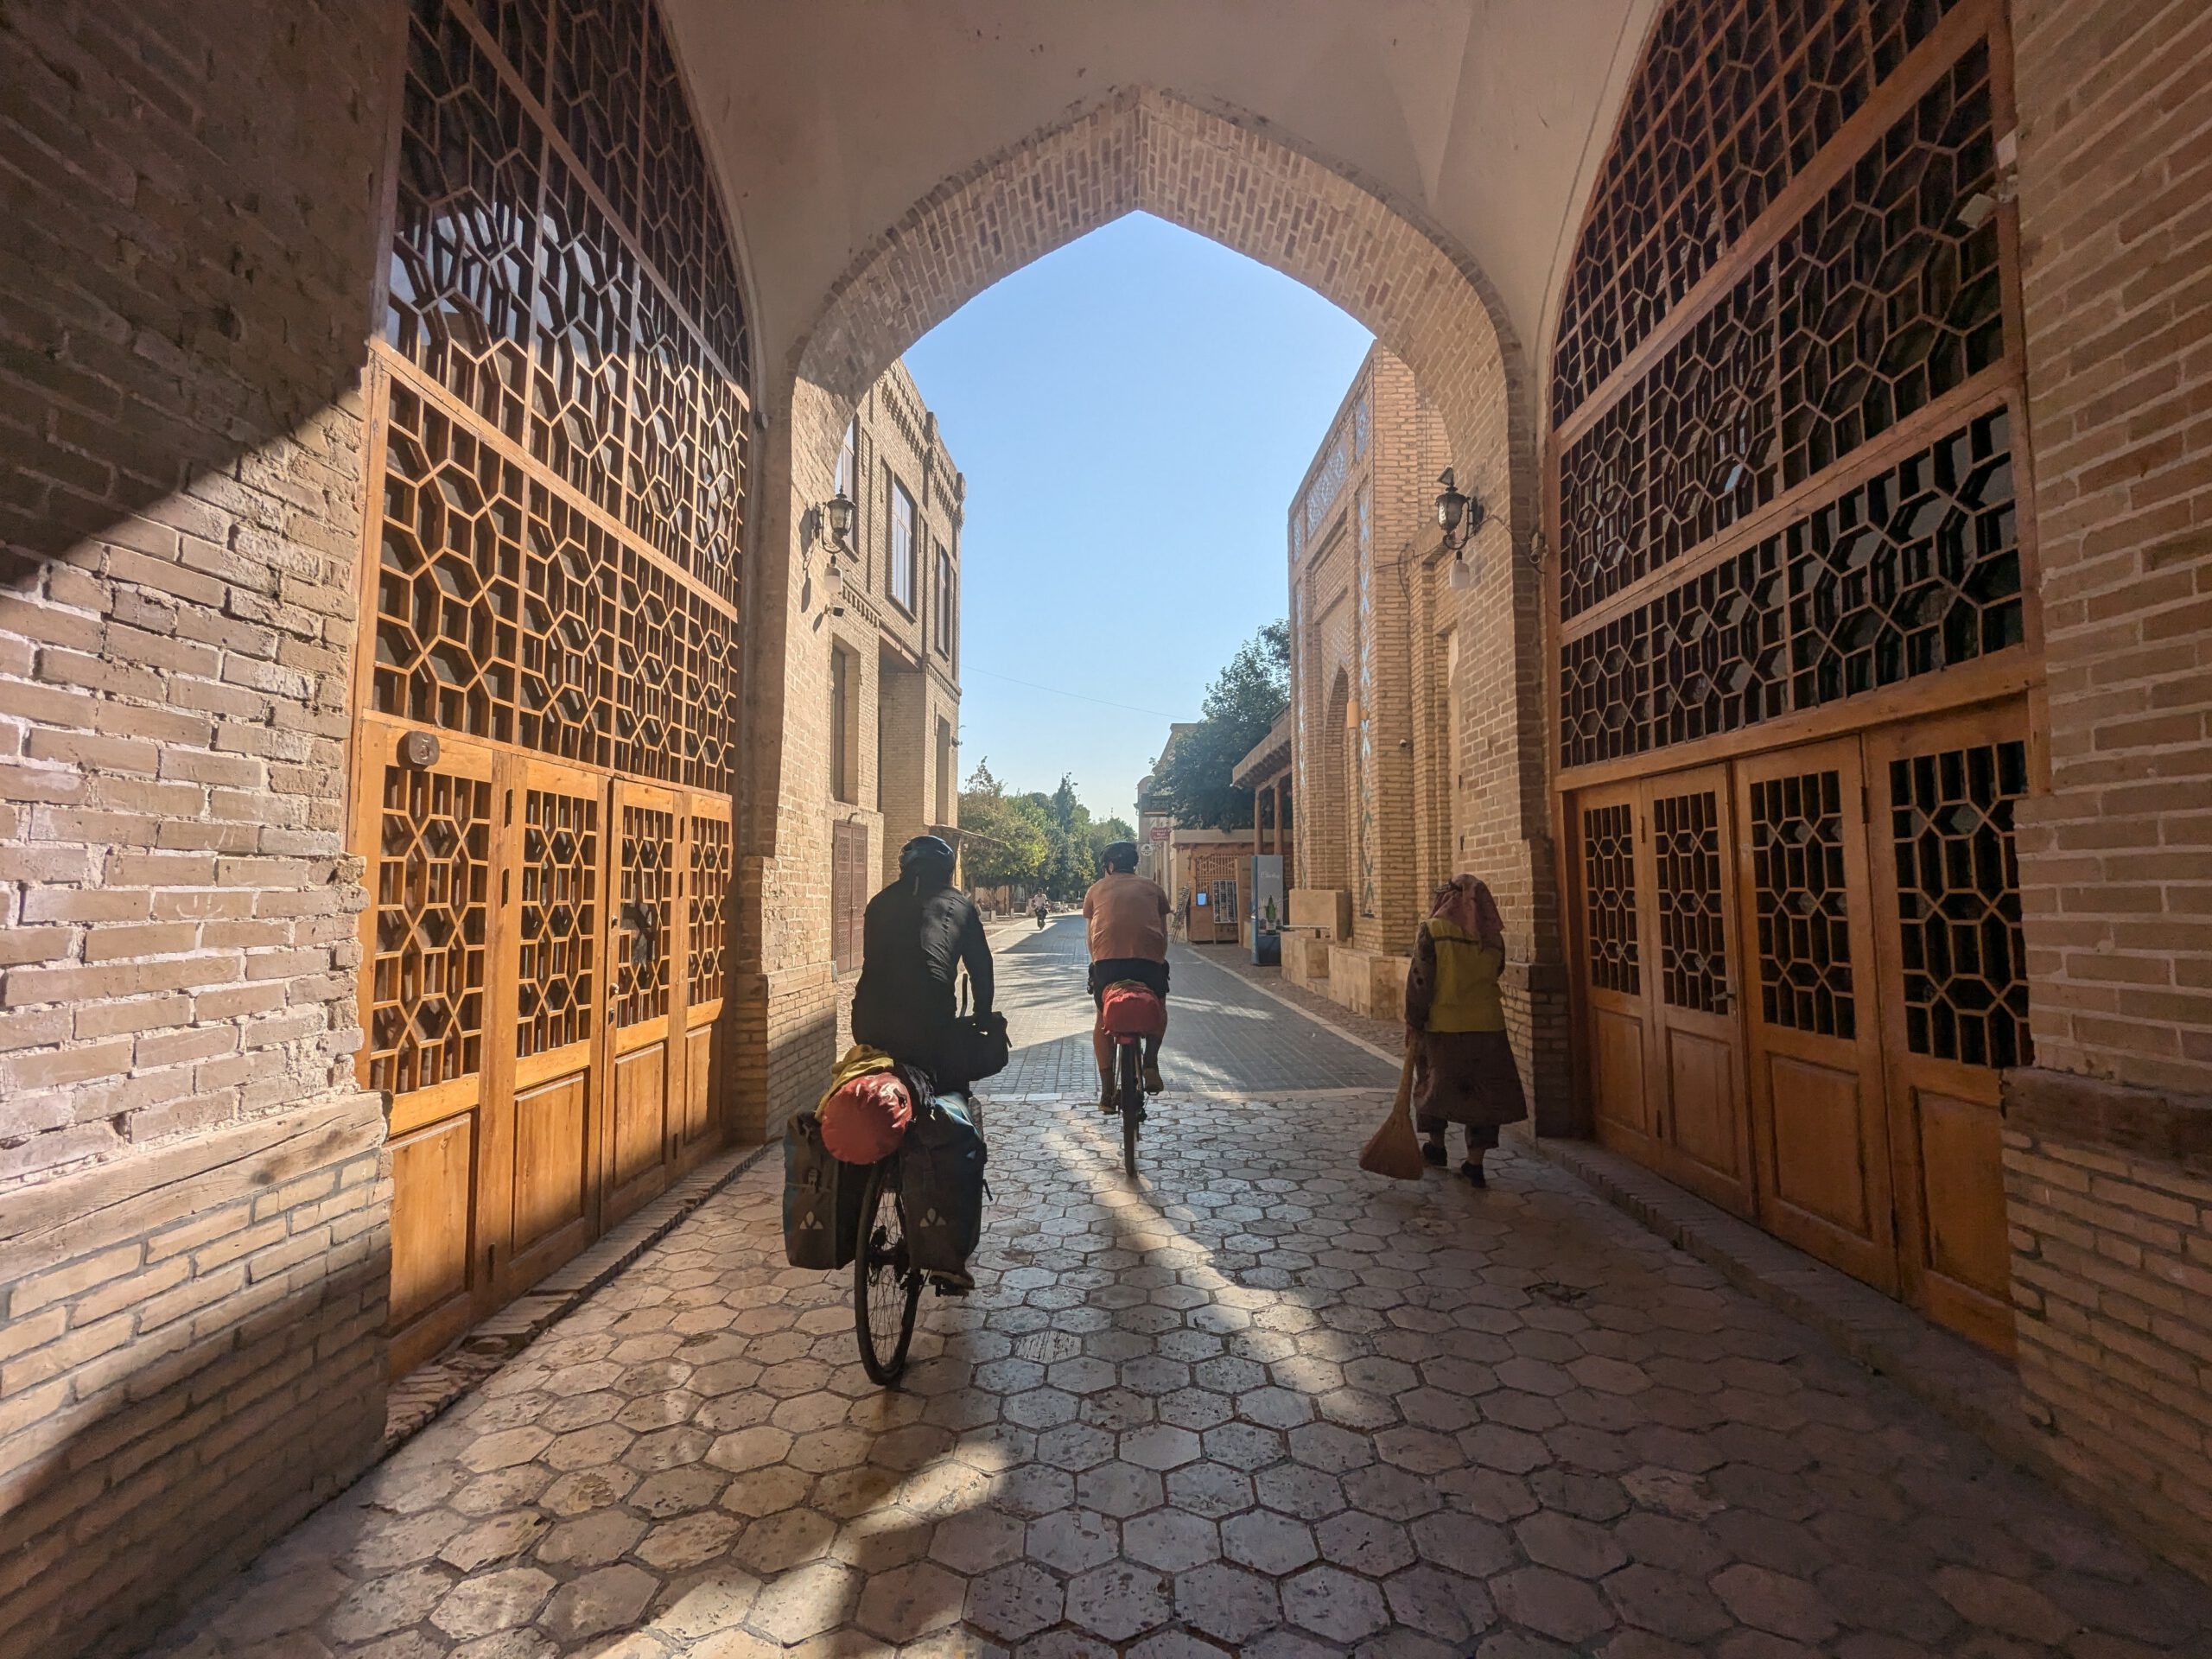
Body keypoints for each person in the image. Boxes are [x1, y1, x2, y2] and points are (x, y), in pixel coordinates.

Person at [1403, 874, 1526, 1186]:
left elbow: (1420, 980)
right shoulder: (1492, 936)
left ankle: (1436, 1147)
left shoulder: (1433, 930)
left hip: (1443, 1026)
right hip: (1488, 1027)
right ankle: (1475, 1163)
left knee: (1434, 1087)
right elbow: (1496, 970)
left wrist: (1413, 1022)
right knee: (1484, 1097)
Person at [851, 835, 995, 1085]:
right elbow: (981, 968)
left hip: (869, 1017)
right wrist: (983, 1014)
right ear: (947, 871)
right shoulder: (961, 906)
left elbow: (872, 958)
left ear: (904, 868)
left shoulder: (879, 902)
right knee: (949, 1086)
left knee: (871, 1080)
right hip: (931, 1015)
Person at [1082, 841, 1171, 1112]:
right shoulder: (1154, 889)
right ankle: (1151, 1061)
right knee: (1160, 1006)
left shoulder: (1095, 890)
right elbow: (1163, 935)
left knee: (1102, 1019)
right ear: (1133, 864)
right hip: (1148, 965)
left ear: (1109, 866)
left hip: (1108, 966)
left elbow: (1091, 939)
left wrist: (1097, 964)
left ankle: (1107, 1090)